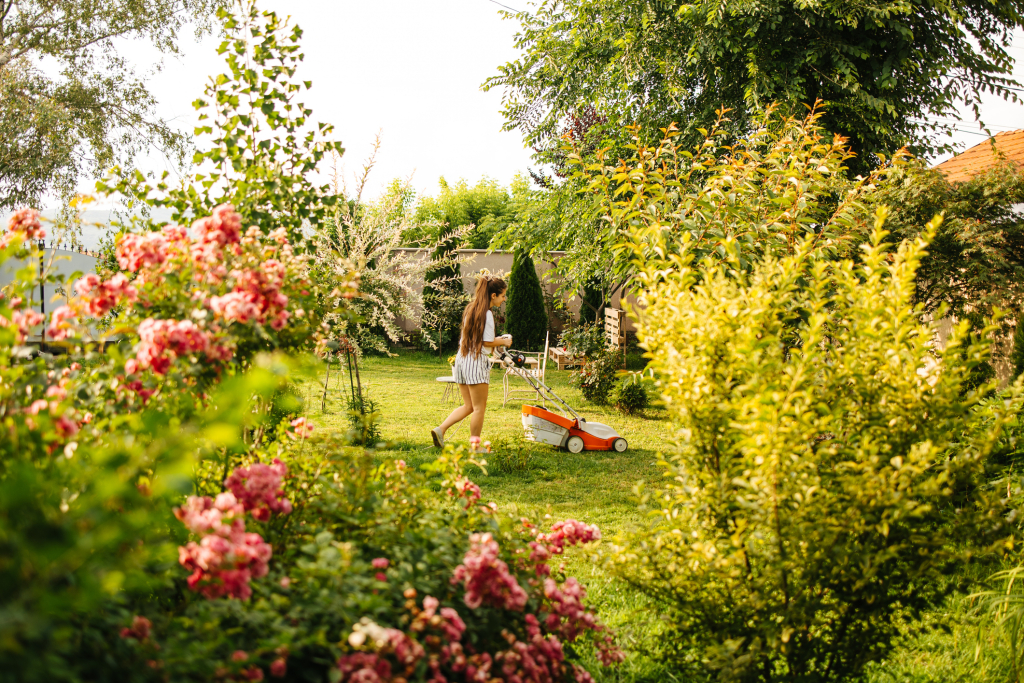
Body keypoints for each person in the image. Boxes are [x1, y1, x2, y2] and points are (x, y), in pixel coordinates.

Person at [432, 275, 512, 451]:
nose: (504, 299)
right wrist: (504, 341)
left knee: (468, 406)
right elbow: (486, 342)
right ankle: (475, 447)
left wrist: (496, 340)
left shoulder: (471, 309)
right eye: (503, 295)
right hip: (476, 362)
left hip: (461, 360)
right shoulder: (487, 314)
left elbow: (479, 339)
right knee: (478, 408)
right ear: (493, 295)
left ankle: (440, 429)